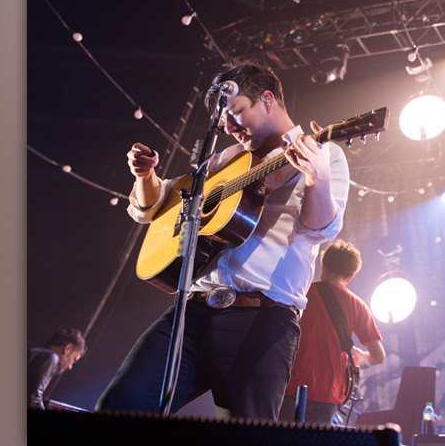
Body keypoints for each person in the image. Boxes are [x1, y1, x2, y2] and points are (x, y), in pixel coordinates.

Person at [96, 61, 350, 421]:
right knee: (119, 405)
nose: (229, 127)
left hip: (264, 317)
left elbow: (318, 229)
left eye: (236, 113)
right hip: (193, 311)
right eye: (223, 121)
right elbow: (158, 205)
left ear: (266, 99)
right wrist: (145, 175)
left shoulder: (324, 153)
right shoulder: (226, 159)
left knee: (247, 432)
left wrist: (317, 177)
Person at [279, 239, 385, 424]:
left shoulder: (300, 293)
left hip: (289, 387)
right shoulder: (358, 306)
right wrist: (363, 357)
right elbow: (378, 356)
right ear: (350, 276)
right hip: (327, 393)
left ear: (323, 266)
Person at [28, 328, 87, 409]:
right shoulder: (51, 357)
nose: (70, 367)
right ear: (67, 348)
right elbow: (33, 399)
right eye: (74, 360)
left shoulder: (38, 355)